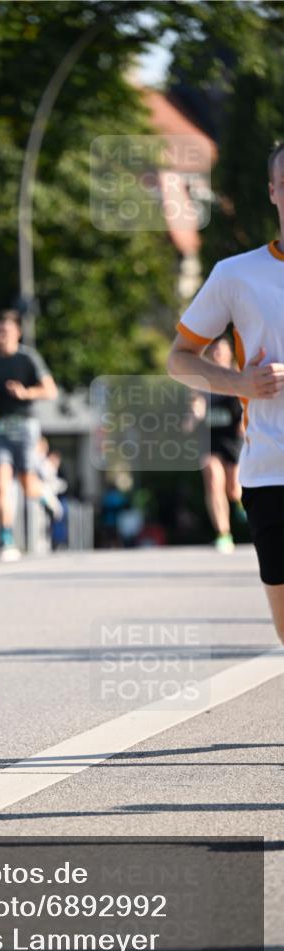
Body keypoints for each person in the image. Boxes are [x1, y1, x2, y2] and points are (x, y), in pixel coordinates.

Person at [168, 140, 284, 644]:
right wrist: (239, 383)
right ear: (274, 192)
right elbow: (179, 359)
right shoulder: (236, 275)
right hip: (269, 470)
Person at [0, 310, 58, 560]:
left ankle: (44, 495)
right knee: (1, 483)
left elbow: (50, 390)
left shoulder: (28, 358)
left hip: (25, 427)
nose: (0, 336)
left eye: (5, 331)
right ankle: (6, 539)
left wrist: (26, 393)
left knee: (27, 484)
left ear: (17, 332)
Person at [188, 337, 245, 553]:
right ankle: (223, 534)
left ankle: (241, 503)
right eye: (214, 350)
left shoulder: (238, 376)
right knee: (213, 479)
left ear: (230, 353)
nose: (218, 354)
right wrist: (195, 415)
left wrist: (245, 424)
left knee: (234, 489)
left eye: (222, 350)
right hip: (211, 441)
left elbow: (249, 406)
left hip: (234, 441)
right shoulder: (202, 383)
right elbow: (192, 415)